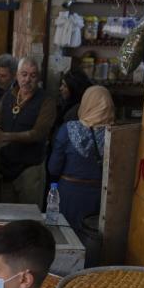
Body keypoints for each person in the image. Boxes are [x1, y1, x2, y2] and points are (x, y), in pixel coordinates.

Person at [0, 57, 56, 206]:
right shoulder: (9, 96)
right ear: (17, 75)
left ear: (38, 78)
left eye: (32, 75)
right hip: (5, 168)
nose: (27, 80)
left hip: (30, 169)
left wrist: (6, 136)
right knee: (6, 218)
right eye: (24, 74)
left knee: (29, 217)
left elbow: (38, 133)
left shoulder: (47, 101)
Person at [47, 85, 115, 230]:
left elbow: (53, 168)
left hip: (70, 196)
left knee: (68, 239)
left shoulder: (68, 129)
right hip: (102, 198)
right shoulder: (116, 134)